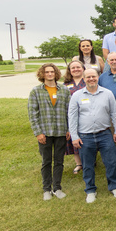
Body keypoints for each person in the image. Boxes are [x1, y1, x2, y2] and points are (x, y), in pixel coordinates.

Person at [68, 68, 116, 203]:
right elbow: (72, 116)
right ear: (84, 78)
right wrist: (74, 136)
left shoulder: (107, 93)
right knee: (87, 165)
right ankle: (90, 189)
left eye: (93, 76)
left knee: (111, 162)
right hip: (85, 136)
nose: (91, 79)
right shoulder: (77, 95)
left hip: (104, 134)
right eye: (88, 77)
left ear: (98, 77)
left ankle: (114, 186)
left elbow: (114, 114)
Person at [28, 63, 71, 200]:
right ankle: (46, 189)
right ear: (42, 74)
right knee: (46, 161)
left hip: (61, 131)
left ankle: (57, 188)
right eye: (47, 72)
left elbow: (69, 112)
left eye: (52, 72)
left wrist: (69, 129)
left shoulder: (64, 90)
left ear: (56, 73)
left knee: (59, 161)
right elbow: (32, 113)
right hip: (45, 132)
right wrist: (38, 132)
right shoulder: (36, 91)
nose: (50, 74)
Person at [63, 61, 86, 174]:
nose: (76, 69)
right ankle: (79, 163)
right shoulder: (66, 84)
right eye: (73, 68)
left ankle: (89, 160)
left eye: (78, 67)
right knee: (73, 136)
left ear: (83, 68)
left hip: (86, 113)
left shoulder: (87, 80)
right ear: (69, 70)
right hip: (71, 114)